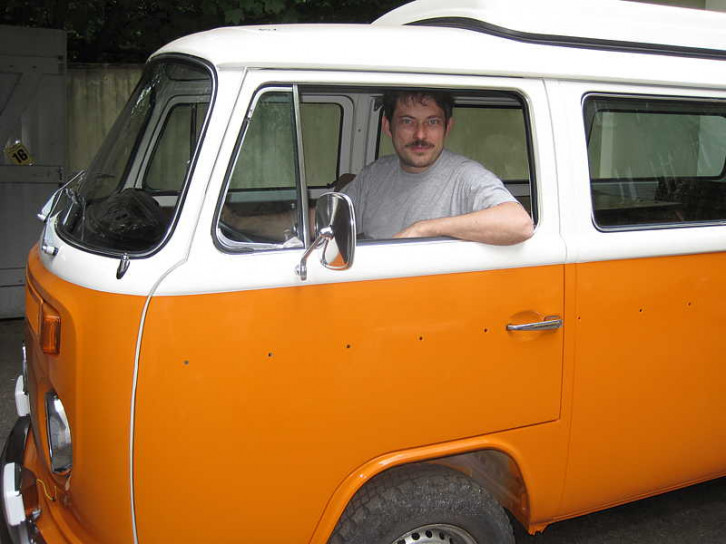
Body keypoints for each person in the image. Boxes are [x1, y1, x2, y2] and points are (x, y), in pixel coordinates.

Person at [340, 90, 533, 245]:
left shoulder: (466, 175)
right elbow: (332, 221)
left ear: (447, 128)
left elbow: (519, 224)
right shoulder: (375, 173)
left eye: (432, 122)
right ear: (387, 126)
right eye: (407, 122)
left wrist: (424, 229)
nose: (420, 135)